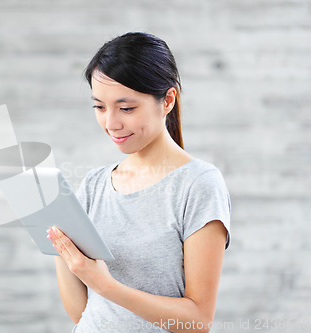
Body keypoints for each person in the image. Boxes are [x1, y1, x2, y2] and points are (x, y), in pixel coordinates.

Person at [46, 32, 231, 333]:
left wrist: (108, 287)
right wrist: (58, 243)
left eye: (126, 108)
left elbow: (198, 321)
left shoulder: (198, 185)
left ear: (167, 100)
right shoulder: (94, 185)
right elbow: (82, 313)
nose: (111, 123)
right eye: (99, 107)